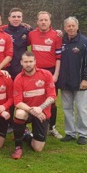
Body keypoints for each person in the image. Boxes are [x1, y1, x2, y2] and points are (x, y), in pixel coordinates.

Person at [58, 16, 87, 145]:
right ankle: (70, 133)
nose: (71, 28)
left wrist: (86, 78)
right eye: (68, 26)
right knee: (67, 108)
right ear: (65, 28)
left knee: (81, 108)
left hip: (80, 82)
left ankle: (83, 134)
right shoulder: (61, 41)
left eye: (73, 25)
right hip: (64, 82)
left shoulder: (85, 42)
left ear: (77, 27)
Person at [11, 52, 56, 159]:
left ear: (35, 62)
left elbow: (52, 96)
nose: (28, 64)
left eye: (31, 61)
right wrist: (33, 110)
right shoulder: (18, 78)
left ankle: (25, 135)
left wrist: (40, 108)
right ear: (21, 63)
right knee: (20, 113)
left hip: (42, 112)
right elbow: (17, 102)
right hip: (28, 111)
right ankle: (18, 147)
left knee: (37, 148)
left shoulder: (46, 74)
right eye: (26, 62)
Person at [28, 11, 63, 139]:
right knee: (34, 99)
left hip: (51, 72)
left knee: (51, 101)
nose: (43, 22)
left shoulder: (56, 36)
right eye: (41, 20)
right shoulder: (31, 34)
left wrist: (56, 75)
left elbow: (59, 57)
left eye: (46, 20)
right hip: (34, 72)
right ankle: (33, 128)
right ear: (37, 22)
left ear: (50, 22)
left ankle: (52, 127)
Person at [3, 8, 32, 79]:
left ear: (22, 18)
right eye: (14, 17)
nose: (16, 19)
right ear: (9, 18)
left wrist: (57, 32)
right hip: (7, 67)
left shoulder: (27, 30)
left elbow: (41, 31)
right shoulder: (3, 31)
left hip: (22, 67)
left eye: (19, 17)